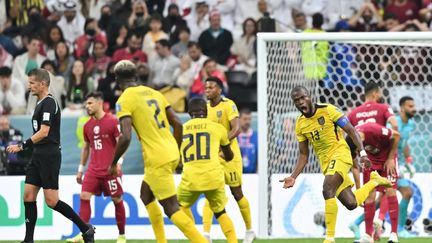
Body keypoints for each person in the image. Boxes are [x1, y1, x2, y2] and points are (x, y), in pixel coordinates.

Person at [279, 86, 392, 243]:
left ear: (309, 96)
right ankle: (375, 181)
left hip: (341, 154)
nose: (300, 102)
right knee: (351, 203)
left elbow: (351, 131)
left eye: (303, 98)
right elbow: (304, 154)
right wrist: (293, 176)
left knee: (327, 189)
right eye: (296, 100)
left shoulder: (328, 110)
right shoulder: (300, 125)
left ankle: (329, 238)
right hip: (326, 164)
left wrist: (363, 154)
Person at [110, 60, 206, 243]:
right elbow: (178, 123)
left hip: (156, 158)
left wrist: (113, 163)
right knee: (146, 195)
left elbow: (125, 136)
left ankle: (201, 241)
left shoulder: (124, 100)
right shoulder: (155, 93)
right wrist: (176, 151)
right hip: (171, 150)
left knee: (171, 208)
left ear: (117, 79)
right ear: (136, 76)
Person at [6, 68, 95, 243]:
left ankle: (86, 229)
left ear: (43, 84)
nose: (29, 86)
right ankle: (28, 240)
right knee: (28, 196)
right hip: (38, 155)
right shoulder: (39, 103)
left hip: (49, 155)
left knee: (52, 201)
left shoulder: (49, 103)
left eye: (32, 83)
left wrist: (22, 146)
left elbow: (44, 132)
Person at [66, 92, 126, 243]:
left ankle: (121, 235)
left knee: (116, 199)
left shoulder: (112, 122)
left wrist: (118, 163)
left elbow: (122, 144)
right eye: (87, 104)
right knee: (84, 196)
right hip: (93, 169)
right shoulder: (87, 125)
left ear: (100, 103)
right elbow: (86, 148)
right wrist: (80, 169)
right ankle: (83, 233)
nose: (87, 106)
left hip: (110, 169)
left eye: (90, 103)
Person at [178, 97, 237, 243]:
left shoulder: (181, 129)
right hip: (214, 177)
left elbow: (177, 157)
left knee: (179, 208)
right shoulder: (218, 128)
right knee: (221, 212)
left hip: (190, 179)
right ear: (206, 111)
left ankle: (197, 239)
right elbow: (229, 156)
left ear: (188, 112)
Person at [203, 76, 255, 243]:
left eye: (211, 87)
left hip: (230, 156)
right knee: (210, 192)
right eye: (206, 88)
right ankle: (205, 234)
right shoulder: (205, 109)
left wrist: (222, 144)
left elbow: (237, 128)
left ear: (219, 89)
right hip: (213, 157)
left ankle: (249, 230)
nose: (207, 90)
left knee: (237, 193)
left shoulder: (228, 104)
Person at [347, 81, 399, 242]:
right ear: (376, 93)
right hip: (379, 157)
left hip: (375, 158)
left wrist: (389, 158)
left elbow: (348, 135)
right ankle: (380, 233)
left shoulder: (354, 113)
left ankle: (379, 233)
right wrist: (391, 156)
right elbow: (395, 127)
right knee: (388, 191)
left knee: (372, 195)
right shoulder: (383, 108)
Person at [377, 96, 417, 238]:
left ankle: (357, 223)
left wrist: (409, 160)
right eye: (410, 106)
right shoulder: (393, 124)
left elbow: (404, 143)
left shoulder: (411, 124)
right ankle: (399, 229)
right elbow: (386, 144)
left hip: (397, 163)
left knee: (382, 198)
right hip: (389, 163)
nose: (414, 109)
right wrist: (391, 163)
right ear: (401, 108)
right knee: (405, 192)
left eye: (414, 106)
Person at [238, 108, 258, 173]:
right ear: (239, 119)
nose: (247, 122)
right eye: (245, 119)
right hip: (237, 175)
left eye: (249, 119)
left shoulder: (256, 136)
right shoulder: (234, 137)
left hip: (253, 175)